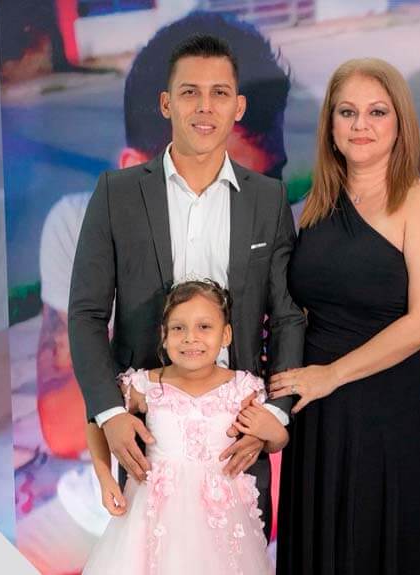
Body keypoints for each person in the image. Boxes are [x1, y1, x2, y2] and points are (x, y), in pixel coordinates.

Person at [67, 32, 305, 539]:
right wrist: (109, 412)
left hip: (237, 437)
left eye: (220, 93)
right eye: (190, 91)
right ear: (166, 103)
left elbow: (287, 316)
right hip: (147, 437)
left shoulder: (268, 199)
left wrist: (276, 412)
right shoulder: (117, 193)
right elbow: (87, 314)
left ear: (238, 106)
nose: (205, 106)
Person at [37, 12, 291, 460]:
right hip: (144, 464)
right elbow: (60, 425)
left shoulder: (273, 212)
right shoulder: (86, 218)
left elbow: (291, 345)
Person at [269, 58, 420, 574]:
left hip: (388, 415)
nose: (361, 125)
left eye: (377, 112)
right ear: (330, 125)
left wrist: (331, 375)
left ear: (400, 124)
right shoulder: (315, 205)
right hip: (318, 416)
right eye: (347, 112)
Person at [82, 280, 286, 574]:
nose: (191, 338)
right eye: (178, 328)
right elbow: (97, 419)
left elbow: (276, 439)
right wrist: (105, 478)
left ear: (226, 334)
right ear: (163, 336)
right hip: (152, 517)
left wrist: (270, 431)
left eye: (204, 327)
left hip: (221, 517)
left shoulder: (242, 388)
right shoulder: (145, 385)